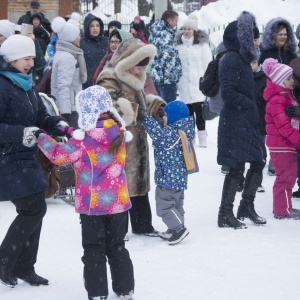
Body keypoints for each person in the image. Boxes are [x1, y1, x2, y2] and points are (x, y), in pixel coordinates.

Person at [37, 85, 135, 300]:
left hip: (93, 205)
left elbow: (58, 155)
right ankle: (125, 289)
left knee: (93, 249)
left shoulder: (83, 140)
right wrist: (69, 130)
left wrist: (41, 136)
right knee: (117, 247)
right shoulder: (119, 131)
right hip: (119, 202)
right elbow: (95, 138)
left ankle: (98, 293)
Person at [0, 34, 68, 288]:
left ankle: (24, 266)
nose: (31, 63)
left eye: (32, 58)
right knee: (33, 208)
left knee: (36, 207)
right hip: (6, 158)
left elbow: (41, 117)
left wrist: (58, 125)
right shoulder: (2, 86)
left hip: (25, 158)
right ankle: (6, 261)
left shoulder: (27, 86)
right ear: (12, 59)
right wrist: (21, 133)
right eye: (26, 58)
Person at [97, 38, 165, 236]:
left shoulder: (134, 77)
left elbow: (140, 102)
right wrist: (134, 112)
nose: (140, 71)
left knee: (138, 184)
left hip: (137, 139)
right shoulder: (109, 76)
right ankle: (117, 230)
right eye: (137, 66)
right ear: (128, 61)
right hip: (119, 140)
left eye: (144, 66)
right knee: (122, 185)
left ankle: (143, 225)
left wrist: (155, 107)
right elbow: (106, 107)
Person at [217, 11, 267, 229]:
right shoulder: (231, 58)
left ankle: (246, 206)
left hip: (247, 120)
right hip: (236, 120)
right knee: (236, 166)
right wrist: (248, 104)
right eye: (252, 37)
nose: (256, 41)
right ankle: (224, 213)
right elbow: (227, 92)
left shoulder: (243, 58)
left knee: (258, 161)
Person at [142, 100, 194, 245]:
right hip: (176, 178)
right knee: (176, 206)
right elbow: (163, 132)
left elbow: (160, 136)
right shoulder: (179, 129)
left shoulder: (175, 133)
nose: (163, 118)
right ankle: (175, 228)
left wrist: (146, 119)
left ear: (174, 117)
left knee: (164, 207)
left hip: (170, 179)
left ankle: (178, 229)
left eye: (165, 115)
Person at [262, 58, 300, 220]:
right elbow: (284, 127)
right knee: (285, 176)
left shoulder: (286, 96)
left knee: (289, 175)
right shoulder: (278, 99)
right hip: (281, 145)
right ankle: (282, 210)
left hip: (286, 144)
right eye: (289, 79)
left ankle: (284, 206)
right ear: (280, 81)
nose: (293, 81)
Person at [259, 17, 297, 176]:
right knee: (271, 130)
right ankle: (267, 160)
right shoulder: (266, 54)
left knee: (286, 129)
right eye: (279, 34)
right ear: (272, 35)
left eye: (285, 34)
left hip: (289, 98)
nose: (282, 37)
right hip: (271, 98)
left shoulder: (291, 54)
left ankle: (279, 163)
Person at [176, 14, 212, 147]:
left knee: (200, 112)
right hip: (184, 84)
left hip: (198, 84)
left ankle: (202, 137)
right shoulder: (179, 46)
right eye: (184, 28)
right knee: (188, 113)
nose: (186, 31)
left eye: (189, 29)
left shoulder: (202, 45)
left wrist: (205, 81)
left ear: (194, 31)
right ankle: (190, 138)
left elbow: (208, 64)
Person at [51, 16, 87, 128]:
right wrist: (65, 114)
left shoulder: (65, 54)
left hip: (71, 105)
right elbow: (63, 87)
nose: (79, 38)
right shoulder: (67, 57)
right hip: (70, 108)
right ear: (71, 38)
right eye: (77, 36)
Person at [148, 10, 182, 103]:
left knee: (159, 106)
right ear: (169, 20)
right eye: (175, 21)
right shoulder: (166, 34)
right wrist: (175, 73)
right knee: (169, 107)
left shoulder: (155, 32)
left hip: (157, 76)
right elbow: (169, 57)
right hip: (167, 77)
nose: (176, 24)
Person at [251, 59, 267, 193]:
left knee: (260, 151)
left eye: (254, 62)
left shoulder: (264, 78)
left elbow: (266, 98)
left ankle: (257, 181)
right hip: (246, 119)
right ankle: (240, 180)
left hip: (260, 119)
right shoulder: (242, 76)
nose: (251, 65)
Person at [80, 14, 108, 89]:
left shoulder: (107, 41)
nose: (95, 28)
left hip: (104, 81)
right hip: (86, 83)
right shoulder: (81, 43)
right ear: (87, 27)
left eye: (97, 25)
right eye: (92, 26)